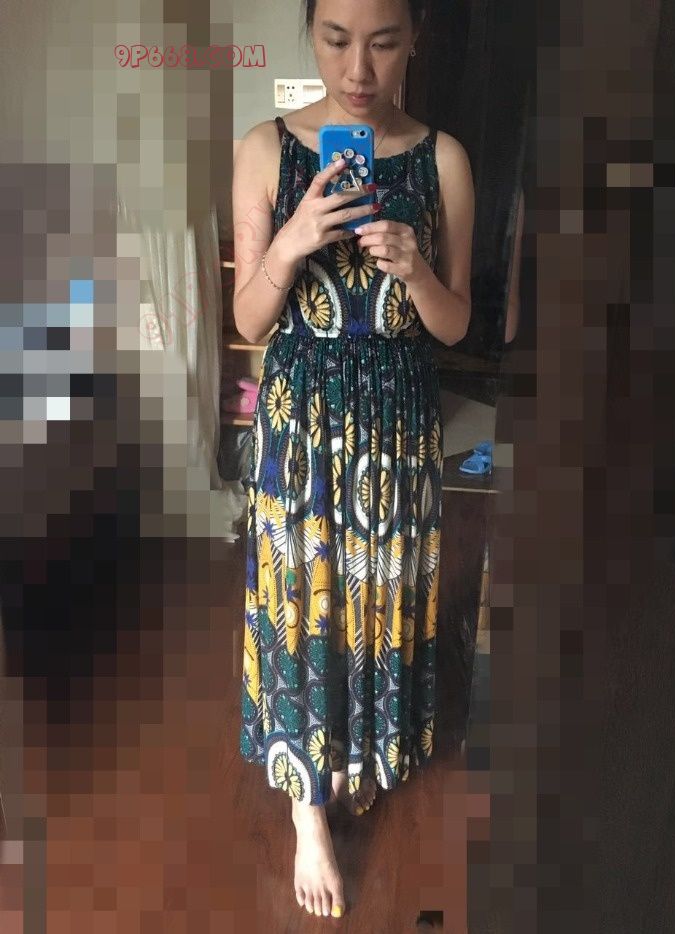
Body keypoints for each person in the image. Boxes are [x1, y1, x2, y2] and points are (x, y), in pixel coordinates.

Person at [232, 0, 474, 920]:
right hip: (303, 423)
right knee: (304, 598)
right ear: (312, 34)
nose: (359, 69)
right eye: (337, 41)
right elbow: (250, 319)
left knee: (380, 593)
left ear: (416, 39)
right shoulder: (265, 150)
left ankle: (360, 749)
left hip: (399, 426)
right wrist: (294, 239)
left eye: (382, 42)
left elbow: (454, 325)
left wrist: (417, 271)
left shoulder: (444, 160)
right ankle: (309, 815)